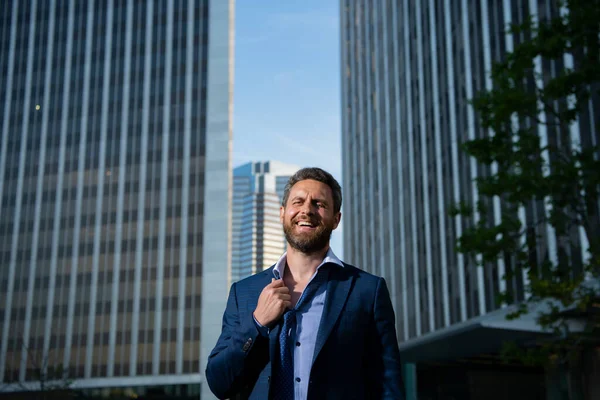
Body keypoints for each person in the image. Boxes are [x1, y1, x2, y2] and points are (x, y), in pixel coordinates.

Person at [206, 167, 405, 399]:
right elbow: (219, 383)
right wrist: (257, 323)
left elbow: (388, 386)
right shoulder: (243, 292)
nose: (306, 210)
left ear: (336, 219)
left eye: (319, 204)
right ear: (282, 213)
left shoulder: (368, 291)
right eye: (298, 201)